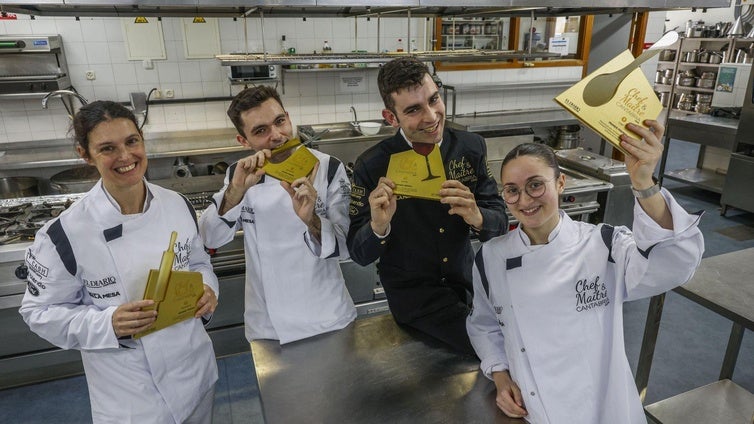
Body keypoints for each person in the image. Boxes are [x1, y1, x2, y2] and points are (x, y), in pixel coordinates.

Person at [466, 121, 705, 423]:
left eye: (536, 185)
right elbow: (484, 326)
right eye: (512, 191)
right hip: (534, 409)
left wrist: (644, 183)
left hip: (600, 409)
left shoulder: (603, 245)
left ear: (561, 183)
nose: (524, 200)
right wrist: (500, 378)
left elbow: (674, 265)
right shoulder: (492, 256)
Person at [19, 101, 219, 423]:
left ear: (142, 139)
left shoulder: (176, 204)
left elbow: (198, 262)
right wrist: (107, 324)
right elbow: (38, 312)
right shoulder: (66, 233)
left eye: (131, 142)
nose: (126, 157)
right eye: (108, 148)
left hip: (194, 372)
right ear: (86, 154)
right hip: (131, 395)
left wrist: (208, 289)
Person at [347, 57, 507, 354]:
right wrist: (378, 226)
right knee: (495, 348)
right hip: (415, 302)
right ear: (391, 117)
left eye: (434, 100)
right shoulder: (371, 166)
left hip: (470, 288)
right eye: (413, 109)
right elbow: (358, 253)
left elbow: (499, 221)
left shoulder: (470, 147)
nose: (432, 116)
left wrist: (478, 216)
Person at [199, 86, 356, 344]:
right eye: (260, 131)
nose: (277, 135)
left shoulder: (328, 167)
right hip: (267, 325)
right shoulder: (239, 175)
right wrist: (235, 192)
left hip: (327, 317)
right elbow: (209, 238)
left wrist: (311, 220)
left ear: (288, 117)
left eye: (280, 122)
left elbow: (348, 247)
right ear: (244, 142)